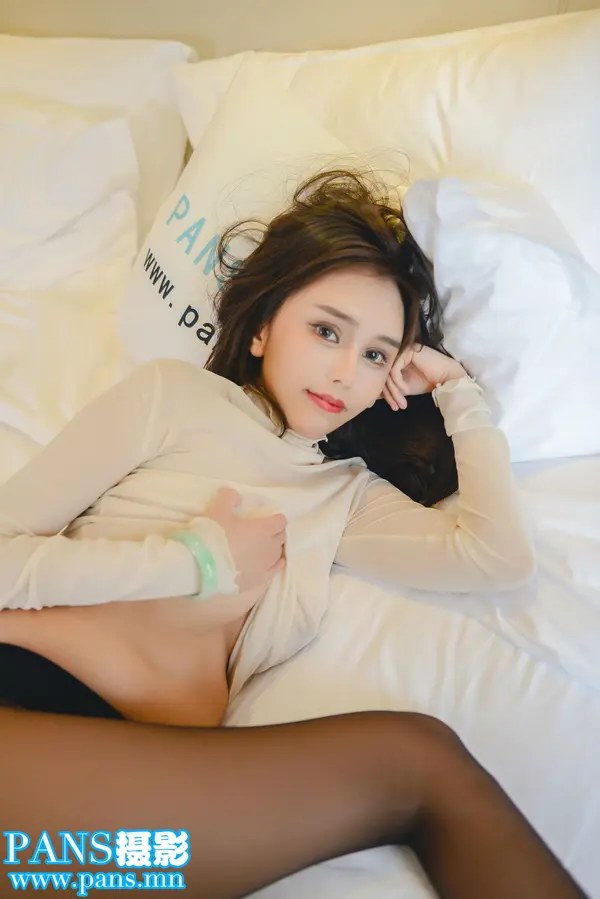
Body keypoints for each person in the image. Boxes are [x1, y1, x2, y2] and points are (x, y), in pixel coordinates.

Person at [0, 170, 587, 899]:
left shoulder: (346, 496)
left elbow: (496, 559)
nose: (345, 372)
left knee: (422, 762)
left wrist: (458, 393)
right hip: (24, 699)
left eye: (376, 354)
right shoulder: (173, 397)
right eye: (326, 331)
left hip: (154, 797)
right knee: (415, 762)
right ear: (261, 329)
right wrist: (193, 562)